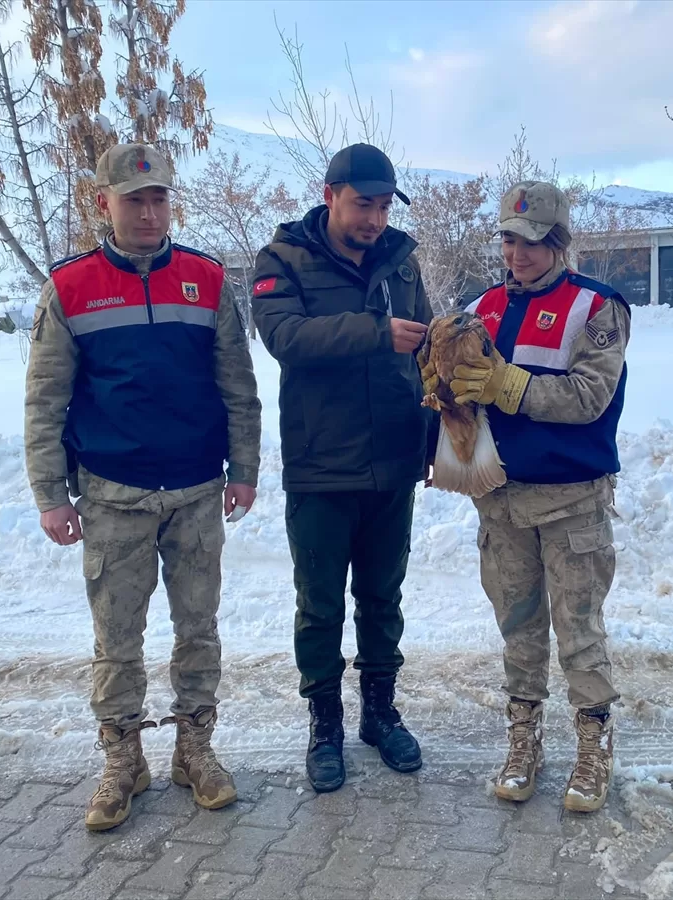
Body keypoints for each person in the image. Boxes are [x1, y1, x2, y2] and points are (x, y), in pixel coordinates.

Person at [24, 142, 262, 831]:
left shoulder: (207, 280)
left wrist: (243, 470)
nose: (150, 212)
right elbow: (45, 401)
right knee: (117, 637)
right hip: (113, 494)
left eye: (159, 197)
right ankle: (123, 758)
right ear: (104, 203)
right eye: (135, 199)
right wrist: (50, 493)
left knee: (199, 629)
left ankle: (195, 748)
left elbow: (238, 389)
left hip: (195, 492)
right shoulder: (70, 287)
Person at [419, 181, 630, 812]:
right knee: (518, 627)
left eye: (532, 242)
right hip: (502, 501)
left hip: (571, 504)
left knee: (579, 631)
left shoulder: (596, 307)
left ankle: (593, 745)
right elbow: (462, 398)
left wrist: (510, 385)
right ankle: (525, 738)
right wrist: (440, 388)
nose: (518, 254)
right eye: (509, 240)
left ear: (559, 241)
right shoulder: (478, 307)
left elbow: (592, 397)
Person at [251, 143, 432, 794]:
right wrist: (374, 331)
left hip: (392, 460)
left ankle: (379, 715)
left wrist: (437, 430)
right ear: (329, 195)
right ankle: (324, 724)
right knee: (321, 606)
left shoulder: (402, 260)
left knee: (383, 600)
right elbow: (286, 340)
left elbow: (427, 347)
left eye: (384, 206)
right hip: (321, 466)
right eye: (363, 205)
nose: (375, 220)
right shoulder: (282, 261)